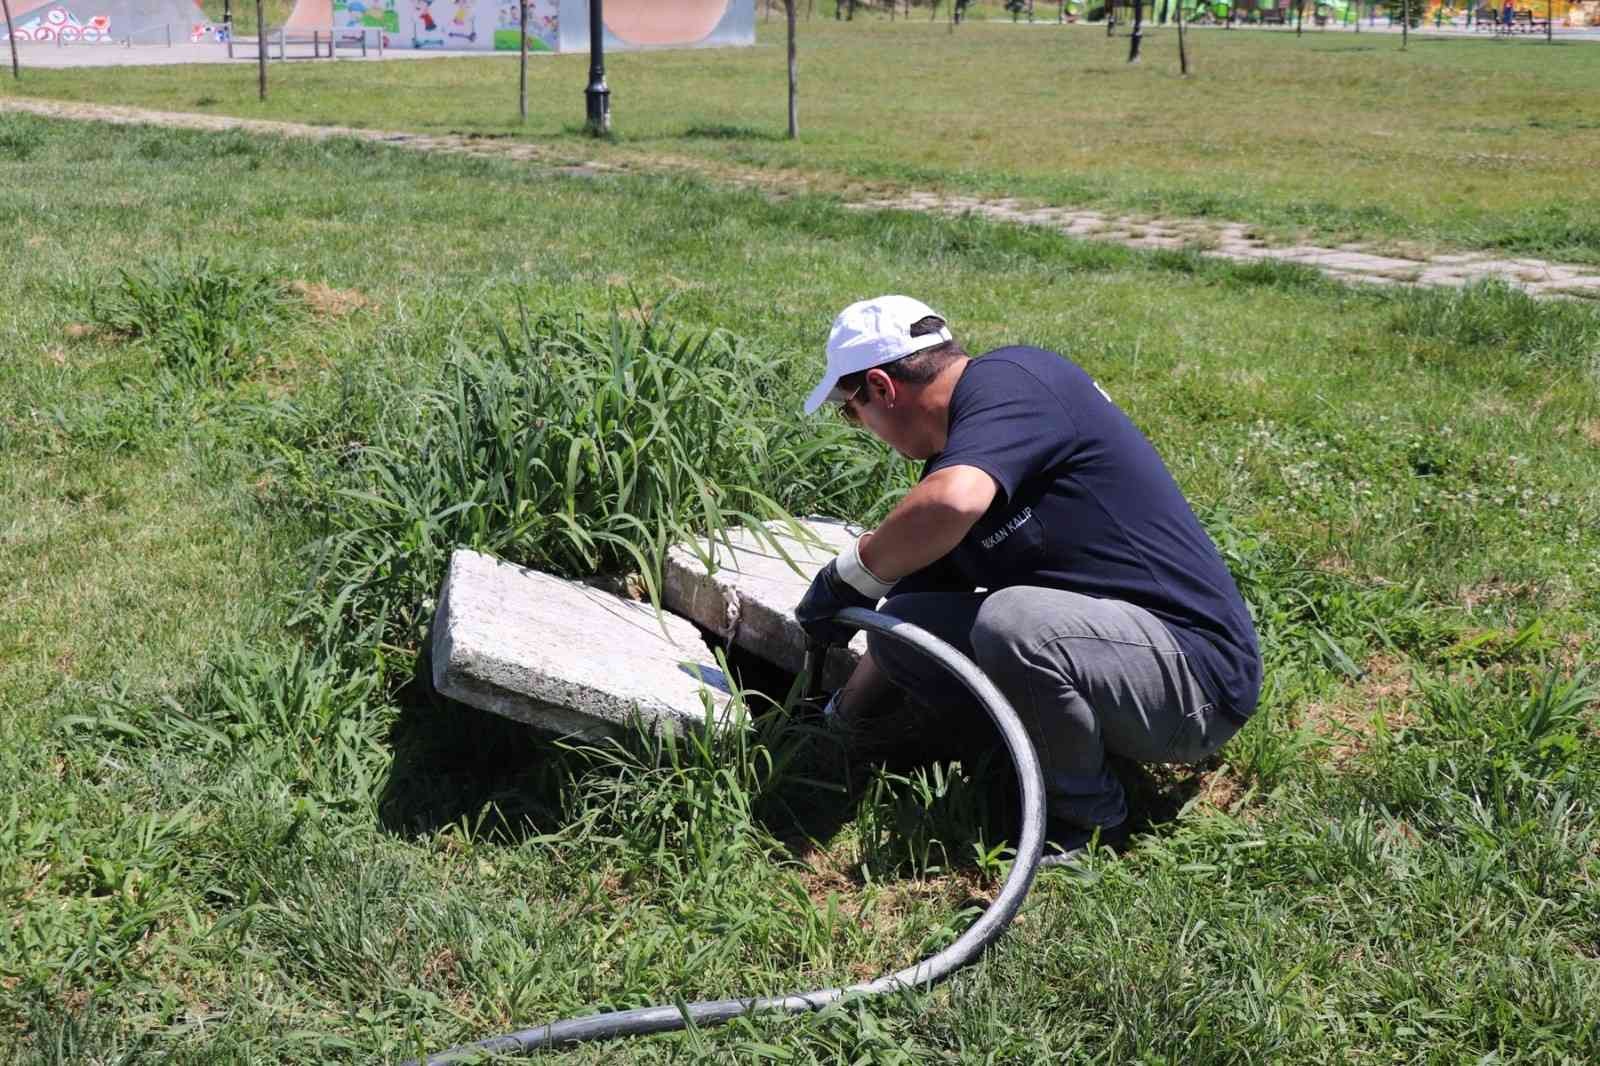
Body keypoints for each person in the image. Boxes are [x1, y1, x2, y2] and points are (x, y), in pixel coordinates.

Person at [795, 296, 1262, 860]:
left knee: (1012, 622)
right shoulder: (978, 451)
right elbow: (903, 615)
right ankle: (1032, 758)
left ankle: (1087, 822)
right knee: (906, 629)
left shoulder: (1013, 382)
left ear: (881, 387)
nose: (859, 425)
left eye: (850, 410)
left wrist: (848, 577)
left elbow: (947, 503)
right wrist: (836, 720)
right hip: (1121, 664)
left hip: (1196, 680)